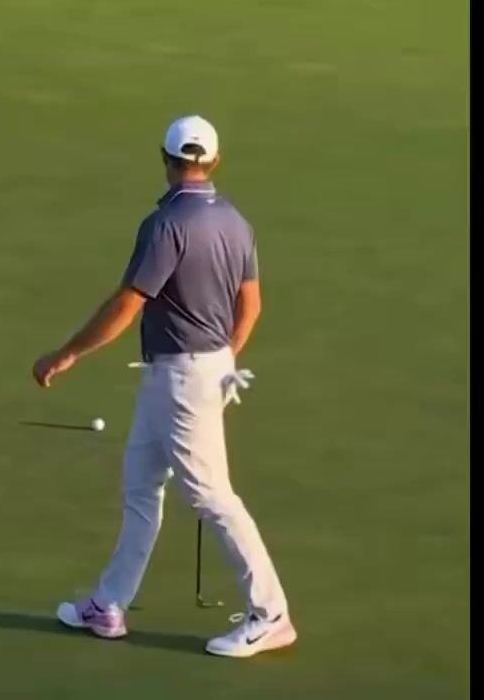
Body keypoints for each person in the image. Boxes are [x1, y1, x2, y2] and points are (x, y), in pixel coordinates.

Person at [32, 115, 296, 658]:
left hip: (183, 378)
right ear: (214, 161)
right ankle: (108, 604)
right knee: (141, 485)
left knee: (210, 494)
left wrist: (67, 353)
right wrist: (224, 358)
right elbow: (252, 306)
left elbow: (127, 305)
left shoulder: (164, 225)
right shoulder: (236, 222)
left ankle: (270, 613)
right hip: (185, 373)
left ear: (166, 159)